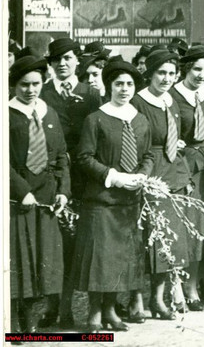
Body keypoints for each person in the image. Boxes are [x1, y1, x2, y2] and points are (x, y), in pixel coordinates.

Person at [73, 61, 154, 332]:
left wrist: (141, 175)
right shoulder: (96, 119)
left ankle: (110, 309)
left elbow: (148, 155)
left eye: (129, 84)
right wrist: (113, 175)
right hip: (102, 199)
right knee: (101, 259)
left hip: (128, 201)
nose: (124, 89)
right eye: (119, 84)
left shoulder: (140, 119)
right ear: (109, 86)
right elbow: (84, 157)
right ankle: (95, 312)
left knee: (120, 258)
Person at [9, 55, 70, 333]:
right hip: (16, 200)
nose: (30, 90)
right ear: (14, 85)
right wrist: (21, 190)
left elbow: (61, 156)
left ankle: (32, 318)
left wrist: (63, 192)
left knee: (42, 262)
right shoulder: (6, 114)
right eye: (24, 84)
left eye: (36, 84)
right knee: (19, 260)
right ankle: (14, 321)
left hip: (45, 200)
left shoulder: (49, 113)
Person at [132, 49, 189, 320]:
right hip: (149, 171)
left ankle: (158, 298)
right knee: (144, 239)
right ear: (150, 74)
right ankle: (136, 300)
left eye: (171, 73)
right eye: (161, 73)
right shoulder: (138, 101)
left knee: (167, 238)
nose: (166, 79)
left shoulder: (171, 101)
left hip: (172, 172)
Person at [170, 45, 204, 312]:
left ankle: (192, 286)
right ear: (187, 68)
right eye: (197, 69)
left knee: (199, 227)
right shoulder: (173, 95)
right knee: (180, 227)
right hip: (181, 166)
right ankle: (175, 286)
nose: (202, 75)